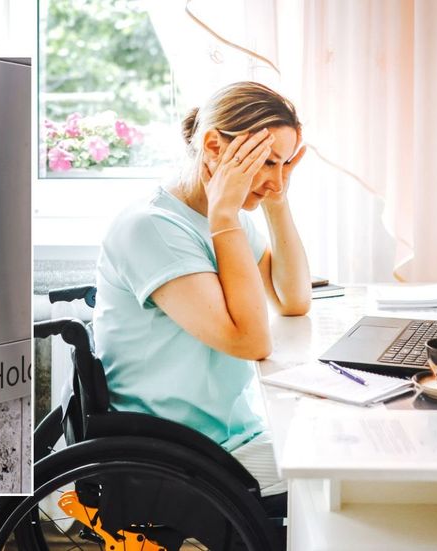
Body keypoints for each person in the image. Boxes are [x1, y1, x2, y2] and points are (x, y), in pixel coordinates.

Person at [93, 81, 310, 498]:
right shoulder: (152, 228)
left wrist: (276, 200)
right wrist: (225, 213)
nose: (277, 180)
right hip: (179, 452)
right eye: (267, 163)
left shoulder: (225, 219)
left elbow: (294, 299)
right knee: (335, 486)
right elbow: (251, 340)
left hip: (229, 437)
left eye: (285, 166)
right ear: (214, 145)